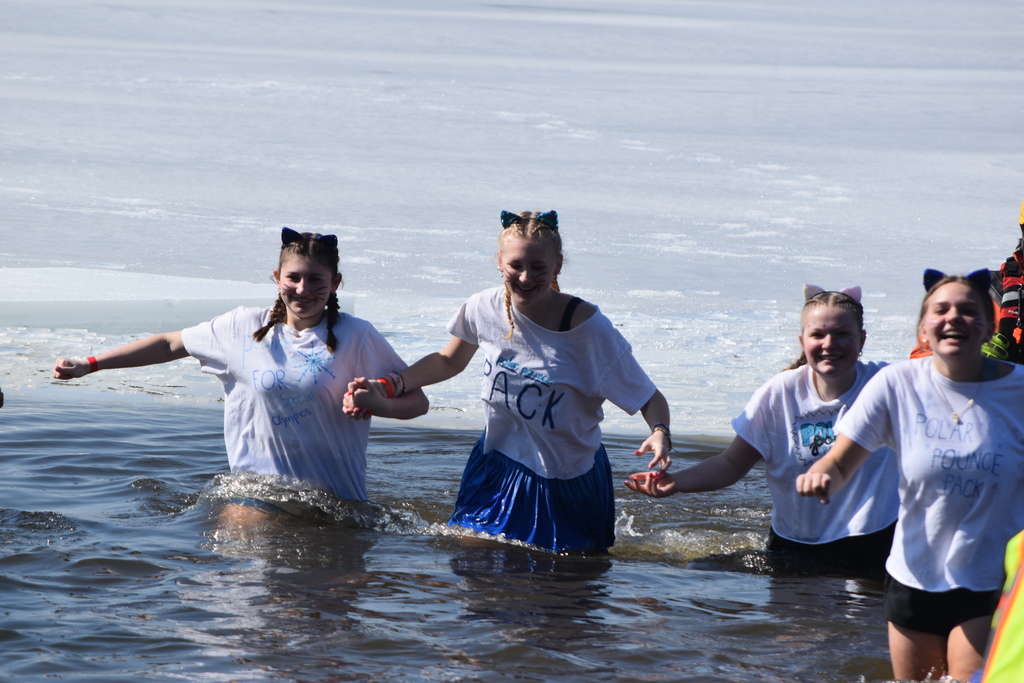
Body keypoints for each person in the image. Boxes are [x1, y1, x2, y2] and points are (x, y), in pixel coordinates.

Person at [344, 210, 671, 553]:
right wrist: (390, 386)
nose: (526, 277)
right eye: (516, 265)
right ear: (500, 262)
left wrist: (660, 432)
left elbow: (648, 397)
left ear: (557, 266)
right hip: (495, 465)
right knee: (473, 566)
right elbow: (448, 360)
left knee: (562, 577)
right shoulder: (483, 308)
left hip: (561, 480)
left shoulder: (588, 330)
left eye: (538, 267)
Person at [53, 227, 428, 515]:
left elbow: (418, 400)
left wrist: (379, 403)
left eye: (316, 280)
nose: (303, 289)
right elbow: (170, 343)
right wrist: (91, 364)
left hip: (336, 505)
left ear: (335, 283)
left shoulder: (357, 336)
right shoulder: (241, 327)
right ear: (277, 277)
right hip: (256, 496)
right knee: (246, 581)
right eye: (293, 278)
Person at [797, 269, 1024, 682]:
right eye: (941, 309)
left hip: (989, 579)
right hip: (912, 577)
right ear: (924, 327)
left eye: (967, 310)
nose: (953, 318)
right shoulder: (898, 384)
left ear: (989, 326)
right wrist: (822, 474)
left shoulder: (1019, 392)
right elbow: (842, 460)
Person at [625, 286, 899, 576]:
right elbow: (731, 463)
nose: (829, 344)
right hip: (794, 544)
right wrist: (676, 482)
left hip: (875, 542)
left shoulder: (888, 386)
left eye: (843, 334)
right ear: (802, 340)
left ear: (862, 339)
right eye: (818, 334)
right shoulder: (780, 393)